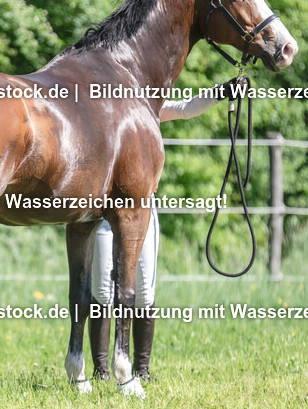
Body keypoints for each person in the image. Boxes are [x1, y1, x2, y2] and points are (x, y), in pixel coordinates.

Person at [90, 79, 239, 382]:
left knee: (144, 291)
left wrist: (223, 91)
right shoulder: (100, 110)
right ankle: (101, 371)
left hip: (141, 209)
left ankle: (142, 369)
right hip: (102, 212)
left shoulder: (146, 107)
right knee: (102, 291)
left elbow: (185, 108)